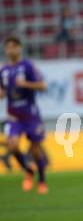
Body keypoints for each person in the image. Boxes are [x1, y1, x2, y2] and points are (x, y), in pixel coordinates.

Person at [0, 36, 48, 194]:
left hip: (31, 116)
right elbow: (2, 92)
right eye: (8, 47)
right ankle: (28, 170)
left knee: (35, 150)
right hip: (14, 117)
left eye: (14, 46)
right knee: (12, 145)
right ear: (5, 50)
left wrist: (26, 84)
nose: (11, 49)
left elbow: (43, 86)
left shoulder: (27, 65)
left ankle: (41, 180)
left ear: (19, 48)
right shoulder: (3, 70)